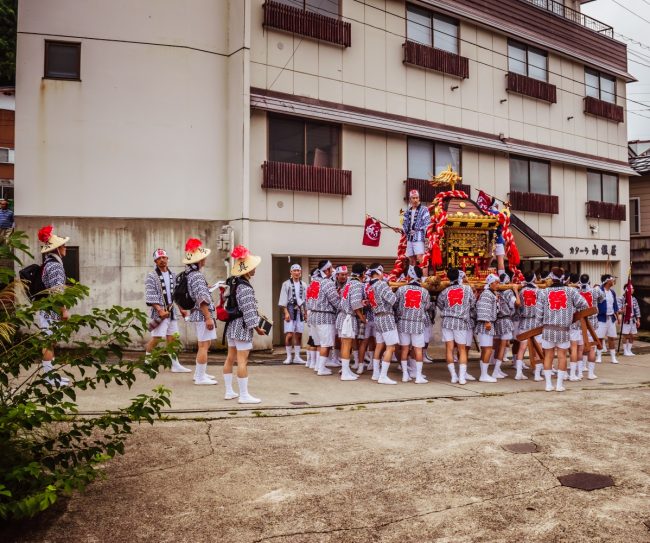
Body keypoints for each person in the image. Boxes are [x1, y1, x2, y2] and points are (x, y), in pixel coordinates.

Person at [223, 245, 266, 404]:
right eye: (253, 267)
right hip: (242, 327)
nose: (254, 270)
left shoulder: (234, 283)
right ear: (247, 270)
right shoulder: (245, 287)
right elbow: (248, 311)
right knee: (242, 360)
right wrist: (257, 327)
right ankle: (244, 395)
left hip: (232, 325)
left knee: (230, 358)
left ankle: (229, 391)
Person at [535, 267, 588, 392]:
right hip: (564, 329)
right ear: (563, 278)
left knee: (548, 356)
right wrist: (572, 314)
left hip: (548, 329)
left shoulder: (543, 292)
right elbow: (584, 304)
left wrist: (540, 323)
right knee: (562, 356)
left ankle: (548, 384)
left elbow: (538, 315)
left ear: (551, 278)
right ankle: (559, 385)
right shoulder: (571, 291)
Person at [144, 248, 191, 373]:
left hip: (171, 312)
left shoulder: (173, 275)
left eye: (164, 257)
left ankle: (175, 364)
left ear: (167, 259)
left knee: (172, 339)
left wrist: (181, 309)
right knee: (157, 338)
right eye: (159, 258)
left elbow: (177, 295)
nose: (162, 260)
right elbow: (150, 294)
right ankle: (147, 364)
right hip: (159, 312)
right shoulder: (152, 276)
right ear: (155, 261)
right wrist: (159, 310)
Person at [37, 225, 71, 386]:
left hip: (47, 309)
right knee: (49, 342)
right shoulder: (56, 266)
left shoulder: (48, 263)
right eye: (63, 246)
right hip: (51, 310)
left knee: (50, 342)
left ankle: (50, 375)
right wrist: (64, 310)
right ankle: (49, 378)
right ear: (56, 249)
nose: (65, 248)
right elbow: (57, 291)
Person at [183, 238, 218, 386]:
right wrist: (208, 317)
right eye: (203, 257)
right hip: (202, 315)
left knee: (204, 343)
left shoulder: (190, 274)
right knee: (204, 345)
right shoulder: (196, 275)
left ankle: (200, 373)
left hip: (198, 314)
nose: (205, 259)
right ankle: (200, 377)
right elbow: (201, 299)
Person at [436, 268, 475, 384]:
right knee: (462, 349)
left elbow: (440, 305)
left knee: (449, 349)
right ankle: (462, 377)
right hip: (460, 322)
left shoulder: (444, 291)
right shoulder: (467, 289)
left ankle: (453, 376)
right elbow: (472, 303)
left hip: (447, 321)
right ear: (459, 276)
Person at [395, 265, 430, 384]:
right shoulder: (424, 292)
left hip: (403, 322)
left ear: (409, 276)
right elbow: (426, 307)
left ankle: (405, 375)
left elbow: (396, 305)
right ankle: (418, 376)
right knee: (418, 350)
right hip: (417, 323)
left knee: (404, 349)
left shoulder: (401, 290)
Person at [306, 259, 340, 376]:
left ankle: (318, 366)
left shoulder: (313, 282)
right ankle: (321, 368)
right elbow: (335, 300)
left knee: (320, 343)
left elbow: (307, 300)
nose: (332, 270)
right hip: (325, 316)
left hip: (313, 316)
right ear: (327, 269)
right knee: (326, 344)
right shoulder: (327, 282)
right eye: (331, 268)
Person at [367, 264, 399, 384]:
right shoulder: (381, 284)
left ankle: (376, 374)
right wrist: (393, 291)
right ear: (379, 272)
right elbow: (393, 300)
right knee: (391, 347)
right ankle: (383, 376)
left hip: (377, 317)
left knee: (379, 345)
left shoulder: (370, 287)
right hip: (386, 317)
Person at [335, 263, 366, 381]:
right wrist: (362, 317)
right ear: (363, 273)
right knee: (346, 344)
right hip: (348, 317)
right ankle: (345, 373)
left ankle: (346, 370)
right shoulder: (357, 284)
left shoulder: (348, 283)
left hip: (342, 316)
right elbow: (355, 304)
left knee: (345, 344)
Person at [573, 273, 604, 380]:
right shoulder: (595, 290)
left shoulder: (576, 291)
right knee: (591, 348)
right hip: (592, 322)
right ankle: (590, 373)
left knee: (580, 349)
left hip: (580, 322)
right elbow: (602, 299)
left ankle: (580, 373)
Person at [278, 264, 307, 365]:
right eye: (294, 271)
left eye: (298, 270)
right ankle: (289, 356)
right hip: (289, 309)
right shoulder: (286, 284)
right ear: (291, 272)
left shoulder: (303, 284)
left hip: (300, 310)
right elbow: (283, 300)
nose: (296, 272)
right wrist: (286, 312)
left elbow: (305, 300)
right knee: (289, 334)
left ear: (300, 272)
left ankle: (297, 357)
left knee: (299, 334)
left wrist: (306, 312)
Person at [514, 271, 540, 381]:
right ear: (534, 279)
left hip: (524, 322)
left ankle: (518, 373)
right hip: (536, 323)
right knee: (538, 348)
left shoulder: (522, 291)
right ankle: (537, 373)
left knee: (522, 348)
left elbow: (518, 305)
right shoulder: (539, 291)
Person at [474, 274, 499, 383]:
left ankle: (484, 374)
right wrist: (487, 321)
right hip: (486, 324)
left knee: (486, 349)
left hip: (488, 324)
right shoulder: (487, 294)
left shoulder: (489, 293)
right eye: (496, 282)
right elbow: (483, 309)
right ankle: (484, 375)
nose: (497, 285)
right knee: (487, 349)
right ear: (490, 283)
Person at [401, 190, 431, 267]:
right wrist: (403, 230)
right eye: (413, 198)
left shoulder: (424, 209)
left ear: (419, 198)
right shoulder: (407, 211)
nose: (415, 200)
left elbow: (427, 223)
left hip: (419, 237)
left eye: (417, 198)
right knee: (411, 258)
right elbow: (404, 224)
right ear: (410, 199)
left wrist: (417, 230)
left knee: (420, 257)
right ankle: (413, 277)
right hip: (410, 237)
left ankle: (424, 278)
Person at [595, 274, 620, 364]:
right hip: (601, 318)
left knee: (611, 338)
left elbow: (615, 305)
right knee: (600, 338)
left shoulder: (612, 292)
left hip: (611, 318)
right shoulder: (599, 291)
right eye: (611, 280)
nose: (613, 281)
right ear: (606, 281)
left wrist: (617, 316)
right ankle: (598, 356)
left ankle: (613, 357)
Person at [618, 284, 641, 357]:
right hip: (626, 319)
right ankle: (625, 351)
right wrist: (623, 309)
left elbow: (637, 309)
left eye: (633, 288)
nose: (633, 289)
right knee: (625, 335)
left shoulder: (634, 299)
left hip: (633, 319)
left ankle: (629, 350)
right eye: (631, 288)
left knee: (632, 335)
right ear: (626, 290)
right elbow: (618, 310)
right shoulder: (621, 298)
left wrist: (638, 320)